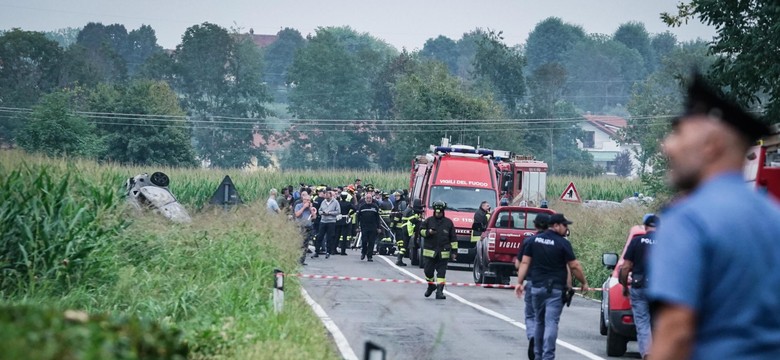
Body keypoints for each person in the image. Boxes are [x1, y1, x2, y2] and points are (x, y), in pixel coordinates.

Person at [647, 74, 780, 359]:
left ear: (712, 145)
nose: (666, 146)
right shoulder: (774, 217)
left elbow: (676, 331)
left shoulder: (688, 220)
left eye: (678, 134)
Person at [514, 213, 589, 360]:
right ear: (555, 225)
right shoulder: (563, 243)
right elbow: (573, 266)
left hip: (536, 287)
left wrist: (519, 282)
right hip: (555, 289)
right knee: (551, 323)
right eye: (564, 225)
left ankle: (537, 355)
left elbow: (524, 263)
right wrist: (583, 282)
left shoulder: (533, 241)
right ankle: (548, 356)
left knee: (539, 321)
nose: (566, 228)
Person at [619, 213, 658, 360]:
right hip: (659, 289)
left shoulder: (636, 242)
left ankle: (648, 354)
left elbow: (625, 267)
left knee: (642, 323)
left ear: (646, 227)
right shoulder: (667, 242)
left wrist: (624, 286)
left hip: (639, 286)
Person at [514, 213, 551, 360]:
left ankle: (532, 336)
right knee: (548, 318)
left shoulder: (529, 241)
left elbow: (520, 263)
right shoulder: (559, 241)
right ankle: (544, 343)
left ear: (535, 225)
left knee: (531, 315)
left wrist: (519, 282)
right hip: (552, 286)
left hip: (533, 283)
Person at [420, 200, 457, 300]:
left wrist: (454, 252)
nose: (438, 214)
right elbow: (421, 232)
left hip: (443, 253)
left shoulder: (448, 223)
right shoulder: (428, 221)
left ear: (443, 211)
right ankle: (431, 285)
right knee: (428, 271)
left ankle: (439, 292)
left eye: (440, 212)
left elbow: (453, 238)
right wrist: (428, 232)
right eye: (436, 212)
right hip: (430, 252)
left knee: (441, 274)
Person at [313, 187, 340, 259]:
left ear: (331, 196)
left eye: (327, 196)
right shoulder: (323, 202)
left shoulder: (335, 202)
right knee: (320, 236)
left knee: (329, 237)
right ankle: (317, 251)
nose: (326, 197)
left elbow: (338, 211)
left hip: (331, 221)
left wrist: (330, 213)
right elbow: (319, 210)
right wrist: (322, 213)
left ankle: (328, 251)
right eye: (325, 195)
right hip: (323, 221)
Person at [356, 185, 381, 262]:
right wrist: (357, 226)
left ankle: (369, 256)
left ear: (372, 199)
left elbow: (378, 218)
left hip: (373, 227)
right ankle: (363, 252)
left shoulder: (375, 207)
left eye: (370, 198)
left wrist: (379, 227)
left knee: (371, 242)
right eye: (367, 198)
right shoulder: (362, 207)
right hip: (364, 227)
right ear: (365, 199)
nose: (369, 199)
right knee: (364, 241)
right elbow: (358, 217)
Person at [293, 193, 315, 265]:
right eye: (306, 200)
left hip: (308, 227)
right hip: (300, 227)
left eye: (309, 200)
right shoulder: (298, 206)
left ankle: (302, 260)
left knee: (305, 245)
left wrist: (311, 209)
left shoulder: (310, 207)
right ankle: (296, 259)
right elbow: (297, 214)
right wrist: (304, 207)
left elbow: (314, 217)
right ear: (303, 200)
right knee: (300, 244)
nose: (308, 201)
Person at [336, 191, 354, 255]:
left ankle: (333, 249)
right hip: (345, 219)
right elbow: (355, 208)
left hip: (339, 219)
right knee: (344, 236)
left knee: (337, 235)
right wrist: (350, 213)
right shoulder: (348, 204)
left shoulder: (338, 203)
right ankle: (343, 251)